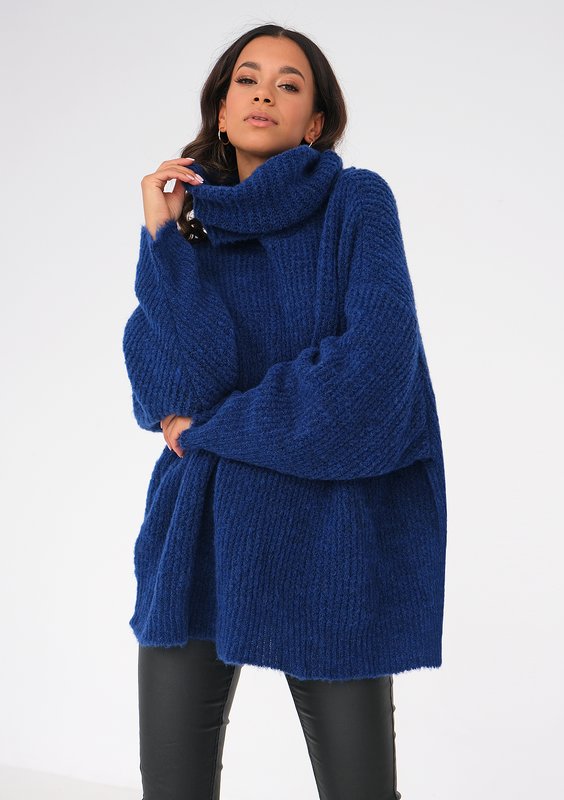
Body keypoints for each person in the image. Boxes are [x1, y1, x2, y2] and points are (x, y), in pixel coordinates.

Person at [122, 22, 447, 800]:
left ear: (316, 122)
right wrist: (161, 239)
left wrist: (215, 429)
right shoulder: (189, 231)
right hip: (199, 531)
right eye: (247, 78)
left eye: (288, 83)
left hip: (333, 538)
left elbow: (373, 375)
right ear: (222, 106)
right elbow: (174, 382)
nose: (263, 92)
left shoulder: (356, 202)